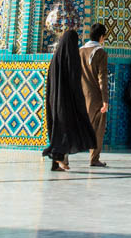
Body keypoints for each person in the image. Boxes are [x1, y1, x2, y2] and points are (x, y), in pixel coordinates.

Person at [43, 25, 97, 172]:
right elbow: (74, 81)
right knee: (66, 129)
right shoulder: (71, 58)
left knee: (58, 129)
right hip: (67, 102)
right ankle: (59, 158)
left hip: (54, 101)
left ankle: (56, 162)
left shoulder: (56, 58)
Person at [80, 22, 110, 167]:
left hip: (80, 95)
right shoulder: (100, 53)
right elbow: (102, 77)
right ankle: (94, 158)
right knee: (98, 128)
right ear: (101, 37)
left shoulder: (80, 51)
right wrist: (105, 99)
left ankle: (63, 156)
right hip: (95, 98)